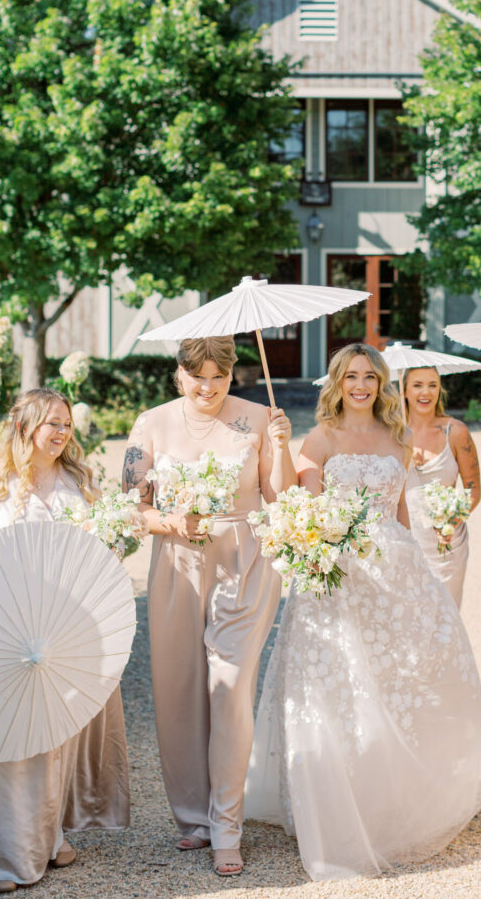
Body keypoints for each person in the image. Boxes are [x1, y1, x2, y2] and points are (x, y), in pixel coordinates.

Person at [247, 342, 481, 881]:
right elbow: (299, 506)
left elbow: (401, 510)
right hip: (339, 574)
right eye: (351, 376)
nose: (360, 385)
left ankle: (392, 801)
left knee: (402, 684)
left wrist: (418, 580)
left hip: (396, 570)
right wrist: (283, 449)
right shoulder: (320, 437)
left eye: (369, 377)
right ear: (336, 382)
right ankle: (339, 807)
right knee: (344, 689)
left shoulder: (398, 436)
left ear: (382, 384)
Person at [122, 336, 296, 877]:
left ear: (230, 376)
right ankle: (193, 818)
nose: (207, 386)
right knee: (178, 688)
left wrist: (284, 446)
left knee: (230, 685)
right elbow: (132, 506)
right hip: (176, 560)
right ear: (179, 374)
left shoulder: (261, 418)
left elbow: (281, 496)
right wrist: (171, 523)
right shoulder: (150, 423)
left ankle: (227, 825)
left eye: (218, 376)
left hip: (243, 559)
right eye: (197, 375)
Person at [0, 388, 130, 894]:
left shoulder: (79, 483)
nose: (60, 433)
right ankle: (5, 857)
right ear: (24, 426)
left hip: (64, 633)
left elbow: (100, 550)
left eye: (67, 425)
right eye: (51, 423)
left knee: (54, 741)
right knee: (10, 747)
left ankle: (46, 838)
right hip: (3, 634)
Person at [403, 366, 481, 608]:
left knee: (444, 617)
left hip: (445, 544)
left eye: (432, 385)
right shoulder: (391, 433)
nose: (426, 392)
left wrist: (451, 522)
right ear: (404, 390)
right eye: (417, 385)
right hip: (403, 538)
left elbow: (473, 490)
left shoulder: (456, 432)